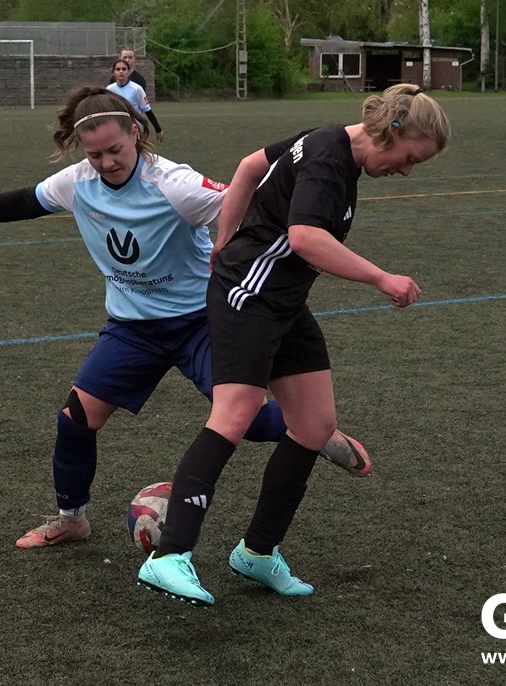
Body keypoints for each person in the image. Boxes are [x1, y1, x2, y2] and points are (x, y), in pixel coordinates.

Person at [0, 86, 372, 551]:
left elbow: (246, 201)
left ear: (135, 132)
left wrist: (268, 234)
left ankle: (315, 432)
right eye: (94, 154)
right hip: (132, 329)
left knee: (243, 417)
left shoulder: (174, 183)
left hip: (202, 321)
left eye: (115, 150)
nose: (106, 162)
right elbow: (22, 202)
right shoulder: (75, 183)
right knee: (75, 420)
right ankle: (71, 520)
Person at [137, 83, 452, 606]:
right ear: (391, 132)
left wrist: (223, 239)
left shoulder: (331, 143)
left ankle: (258, 552)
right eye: (409, 158)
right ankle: (169, 556)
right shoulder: (328, 154)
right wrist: (381, 277)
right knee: (235, 412)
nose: (406, 171)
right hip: (249, 293)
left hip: (283, 299)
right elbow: (306, 237)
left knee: (314, 424)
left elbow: (248, 167)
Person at [107, 60, 164, 142]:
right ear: (113, 72)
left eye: (124, 69)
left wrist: (158, 129)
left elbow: (147, 110)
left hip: (134, 128)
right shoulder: (109, 89)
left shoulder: (137, 89)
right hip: (117, 128)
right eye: (118, 69)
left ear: (128, 72)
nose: (121, 71)